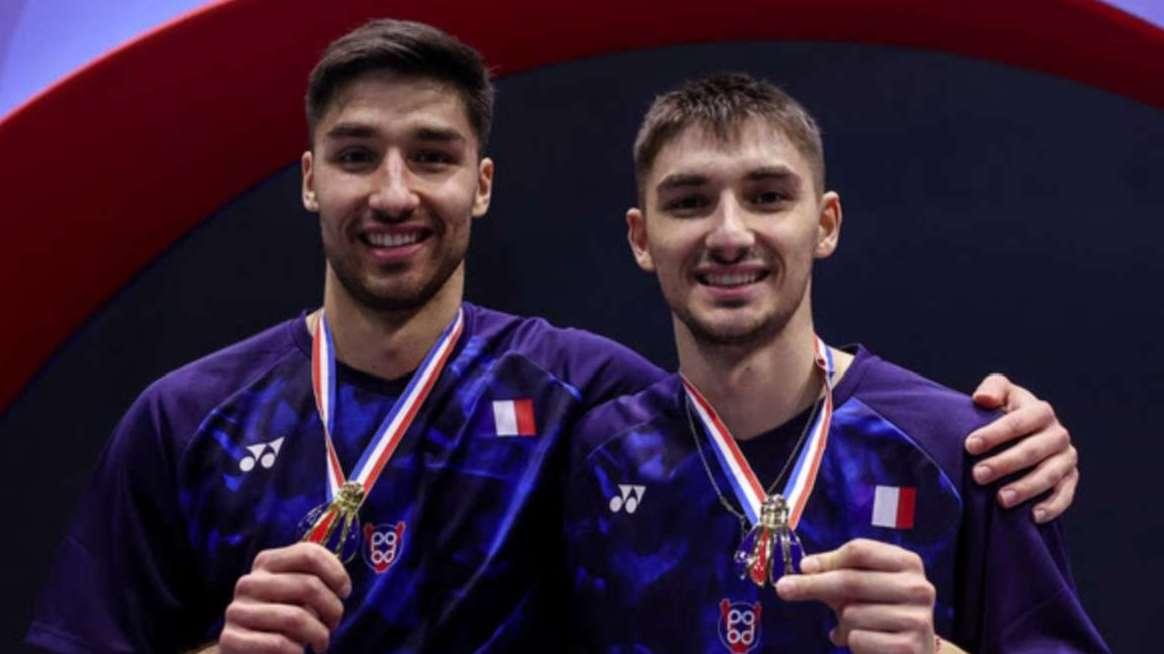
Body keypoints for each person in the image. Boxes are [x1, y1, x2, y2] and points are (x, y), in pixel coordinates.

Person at [28, 21, 1078, 654]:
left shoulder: (588, 403)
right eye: (356, 156)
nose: (393, 192)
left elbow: (768, 399)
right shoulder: (182, 420)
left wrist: (1020, 445)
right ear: (310, 180)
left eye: (432, 155)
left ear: (480, 186)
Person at [564, 73, 1107, 653]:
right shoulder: (598, 454)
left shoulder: (967, 450)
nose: (728, 234)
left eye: (768, 197)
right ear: (642, 238)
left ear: (825, 224)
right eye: (689, 202)